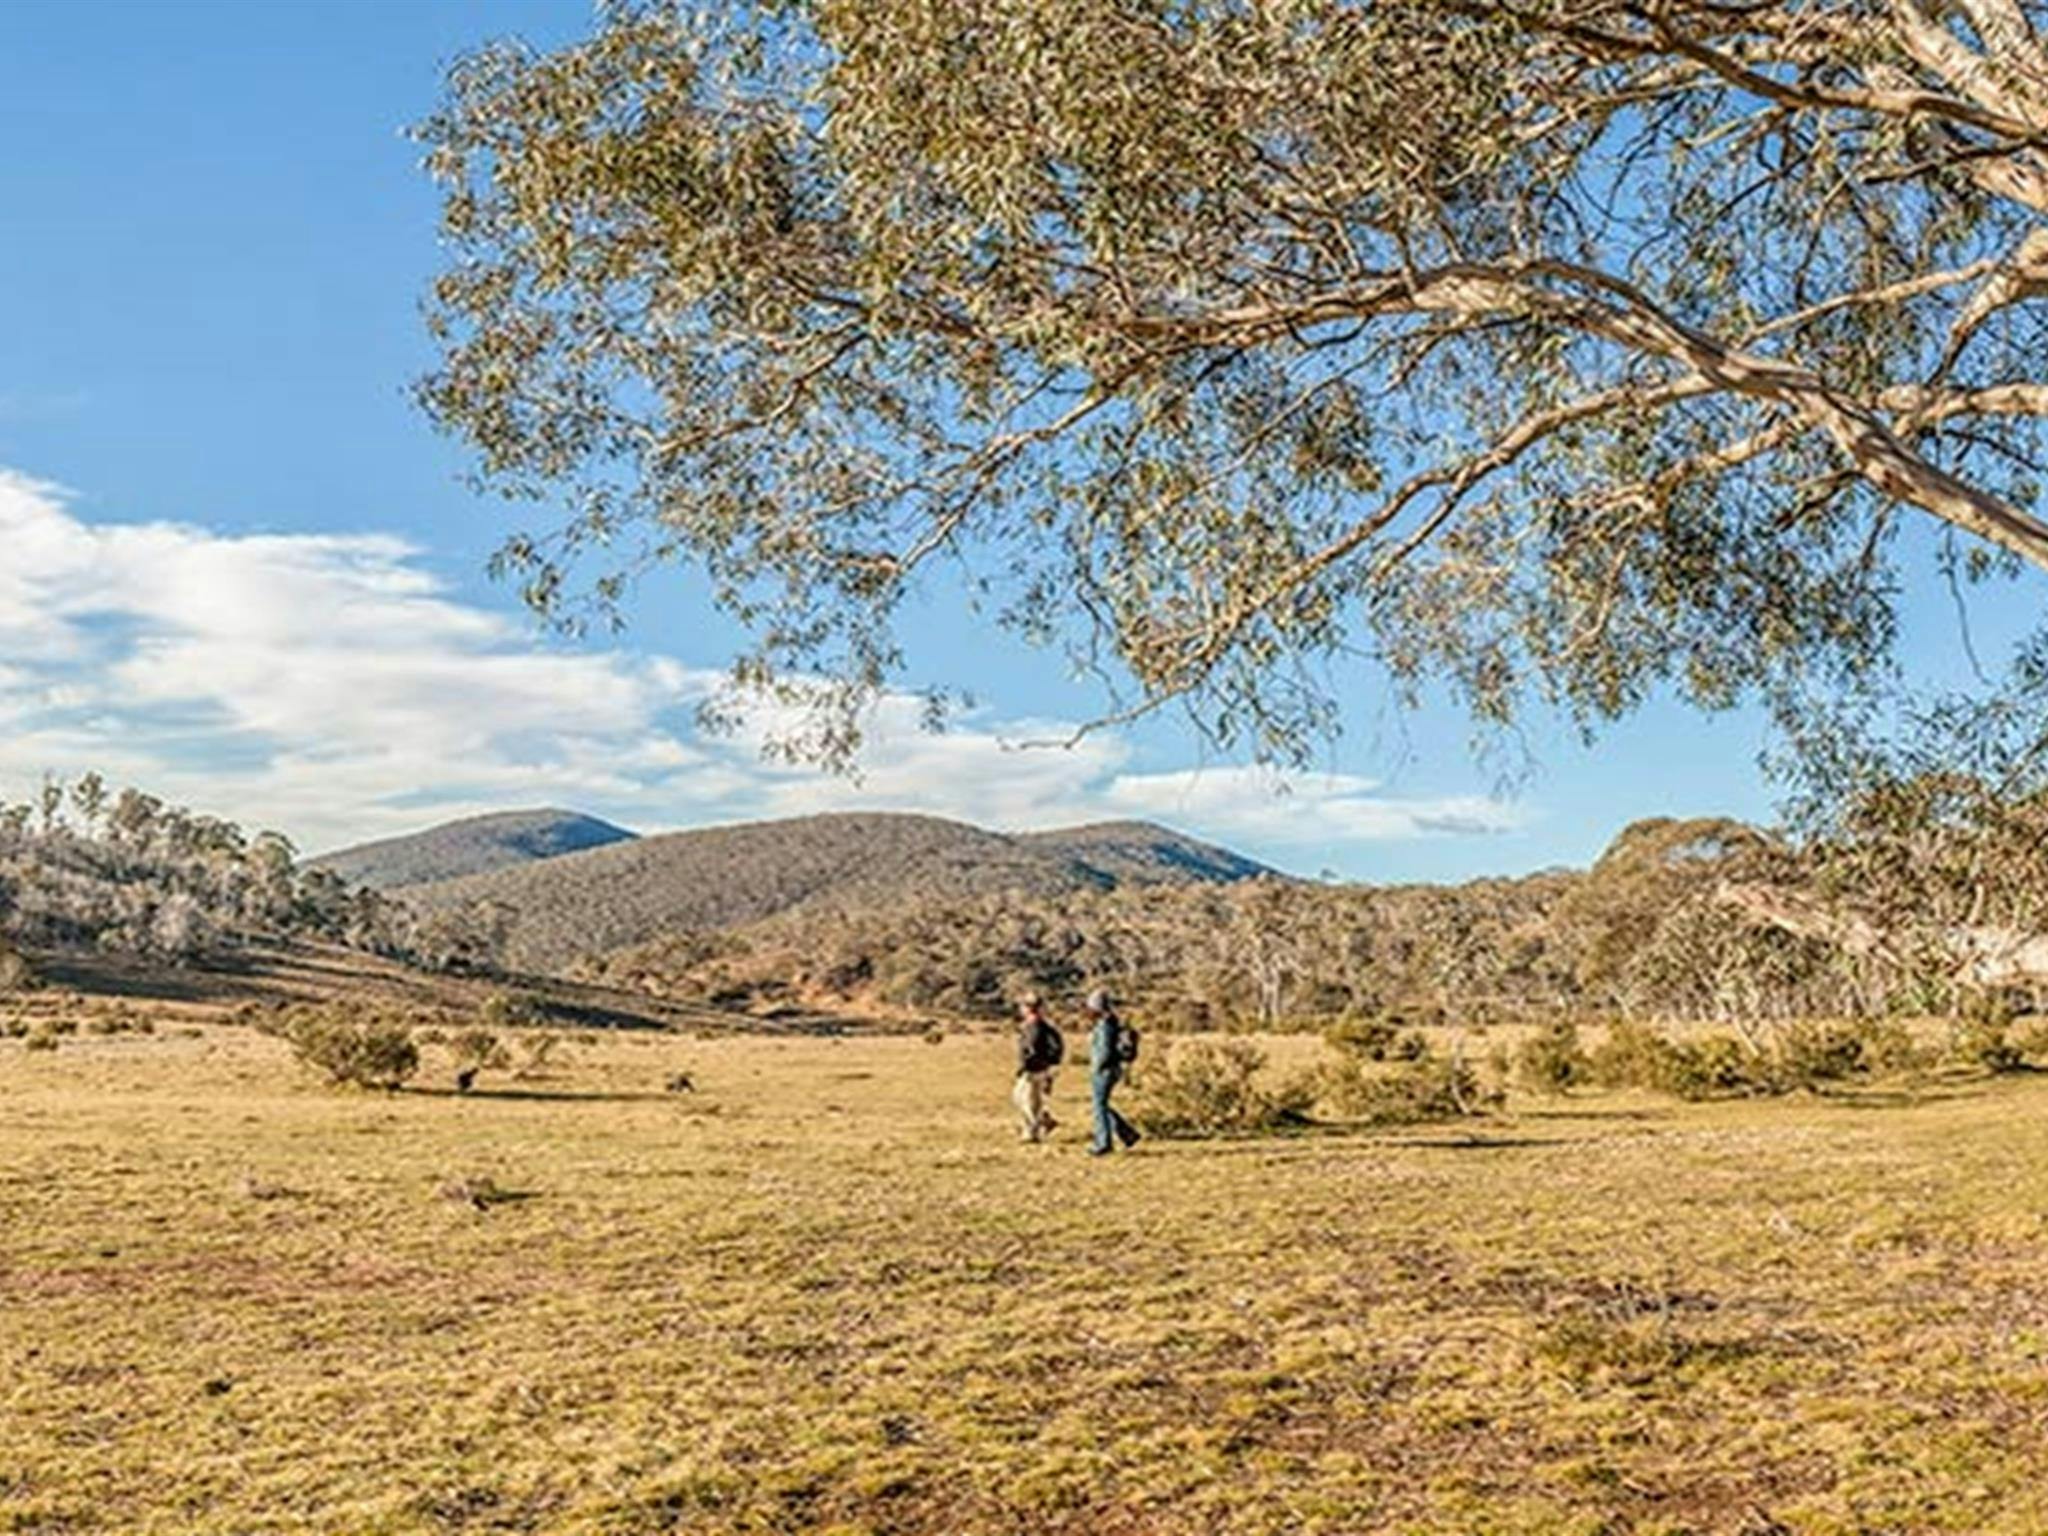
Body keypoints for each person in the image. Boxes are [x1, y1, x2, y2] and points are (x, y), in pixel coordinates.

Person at [1085, 987, 1141, 1156]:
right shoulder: (1113, 1022)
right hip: (1113, 1068)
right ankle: (1127, 1134)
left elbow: (1104, 1050)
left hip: (1105, 1070)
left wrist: (1096, 1066)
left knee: (1099, 1106)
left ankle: (1103, 1143)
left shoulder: (1104, 1025)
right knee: (1101, 1105)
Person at [1012, 994, 1062, 1143]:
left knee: (1027, 1101)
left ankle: (1032, 1132)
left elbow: (1031, 1049)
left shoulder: (1035, 1026)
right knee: (1025, 1099)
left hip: (1033, 1069)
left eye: (1024, 1006)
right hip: (1039, 1067)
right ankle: (1043, 1122)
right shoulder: (1042, 1026)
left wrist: (1027, 1065)